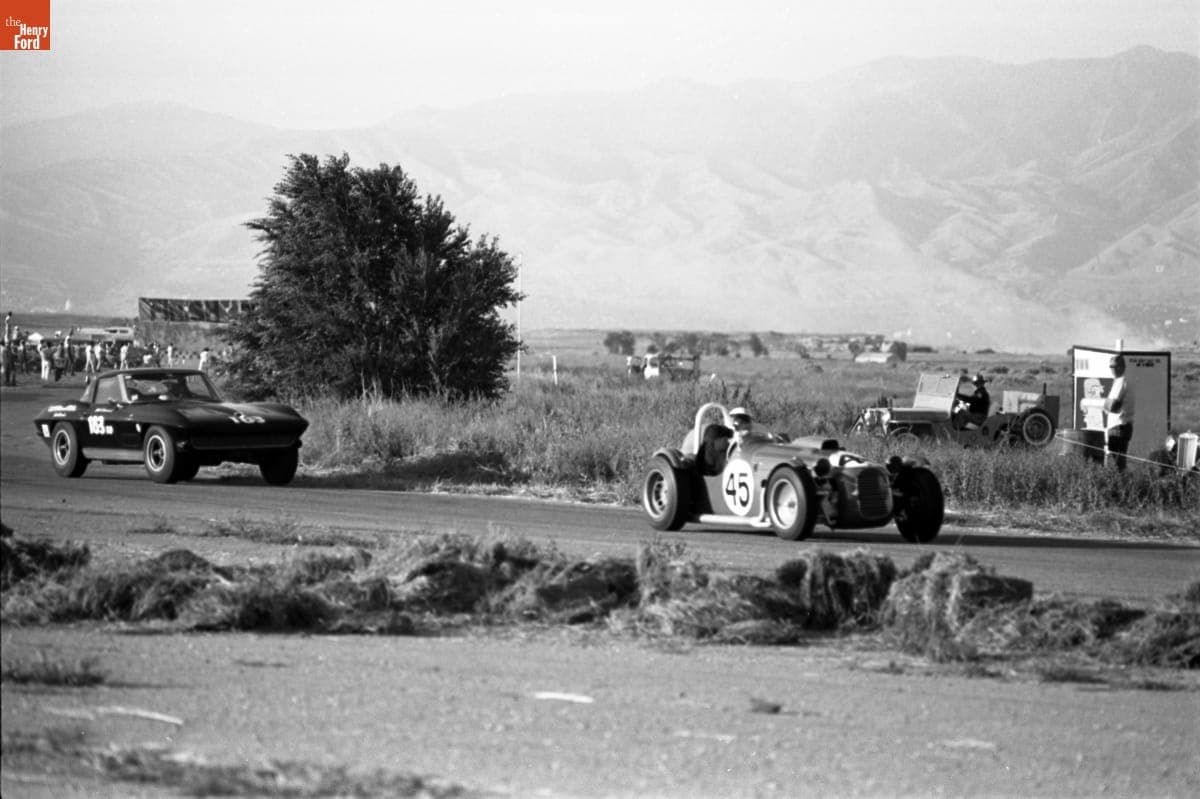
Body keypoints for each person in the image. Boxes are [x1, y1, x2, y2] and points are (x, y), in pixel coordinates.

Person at [1104, 354, 1135, 472]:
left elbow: (1112, 406)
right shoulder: (1125, 381)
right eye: (1110, 366)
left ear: (1122, 367)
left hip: (1118, 426)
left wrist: (1105, 404)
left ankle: (1123, 486)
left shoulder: (1121, 381)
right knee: (1119, 463)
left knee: (1116, 464)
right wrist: (1108, 403)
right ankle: (1124, 484)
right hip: (1124, 425)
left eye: (1115, 366)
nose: (1112, 369)